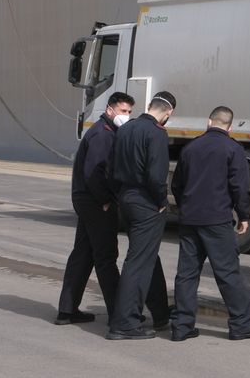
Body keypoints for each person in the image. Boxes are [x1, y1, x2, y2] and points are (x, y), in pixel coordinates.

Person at [169, 106, 250, 341]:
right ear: (230, 127)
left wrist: (186, 206)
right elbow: (239, 189)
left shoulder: (191, 148)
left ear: (209, 122)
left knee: (187, 273)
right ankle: (241, 324)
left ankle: (181, 326)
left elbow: (176, 185)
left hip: (190, 219)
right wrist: (245, 216)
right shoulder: (233, 149)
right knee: (227, 272)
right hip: (217, 220)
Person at [57, 91, 135, 325]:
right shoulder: (103, 135)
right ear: (110, 110)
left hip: (86, 199)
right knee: (106, 256)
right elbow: (94, 173)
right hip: (94, 202)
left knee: (83, 254)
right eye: (123, 111)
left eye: (130, 112)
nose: (127, 116)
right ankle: (118, 314)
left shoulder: (107, 131)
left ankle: (67, 310)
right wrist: (105, 199)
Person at [106, 92, 176, 340]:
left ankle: (159, 313)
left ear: (148, 106)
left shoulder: (126, 129)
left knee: (145, 257)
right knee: (138, 262)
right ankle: (124, 322)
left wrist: (121, 195)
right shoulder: (157, 133)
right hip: (146, 202)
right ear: (168, 114)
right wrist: (160, 202)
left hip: (127, 197)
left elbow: (111, 169)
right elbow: (157, 176)